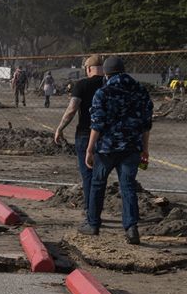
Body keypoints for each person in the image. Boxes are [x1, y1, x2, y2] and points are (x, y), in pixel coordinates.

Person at [83, 55, 152, 244]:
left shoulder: (103, 92)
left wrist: (89, 150)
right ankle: (131, 228)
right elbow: (146, 124)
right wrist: (145, 149)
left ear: (106, 73)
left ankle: (93, 224)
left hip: (107, 148)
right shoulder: (140, 91)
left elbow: (97, 124)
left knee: (98, 184)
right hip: (132, 147)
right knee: (128, 186)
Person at [54, 55, 106, 228]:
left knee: (88, 175)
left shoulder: (82, 85)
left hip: (85, 134)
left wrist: (60, 128)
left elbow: (71, 109)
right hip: (107, 136)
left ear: (88, 69)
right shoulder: (109, 84)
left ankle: (91, 214)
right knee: (101, 177)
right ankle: (96, 212)